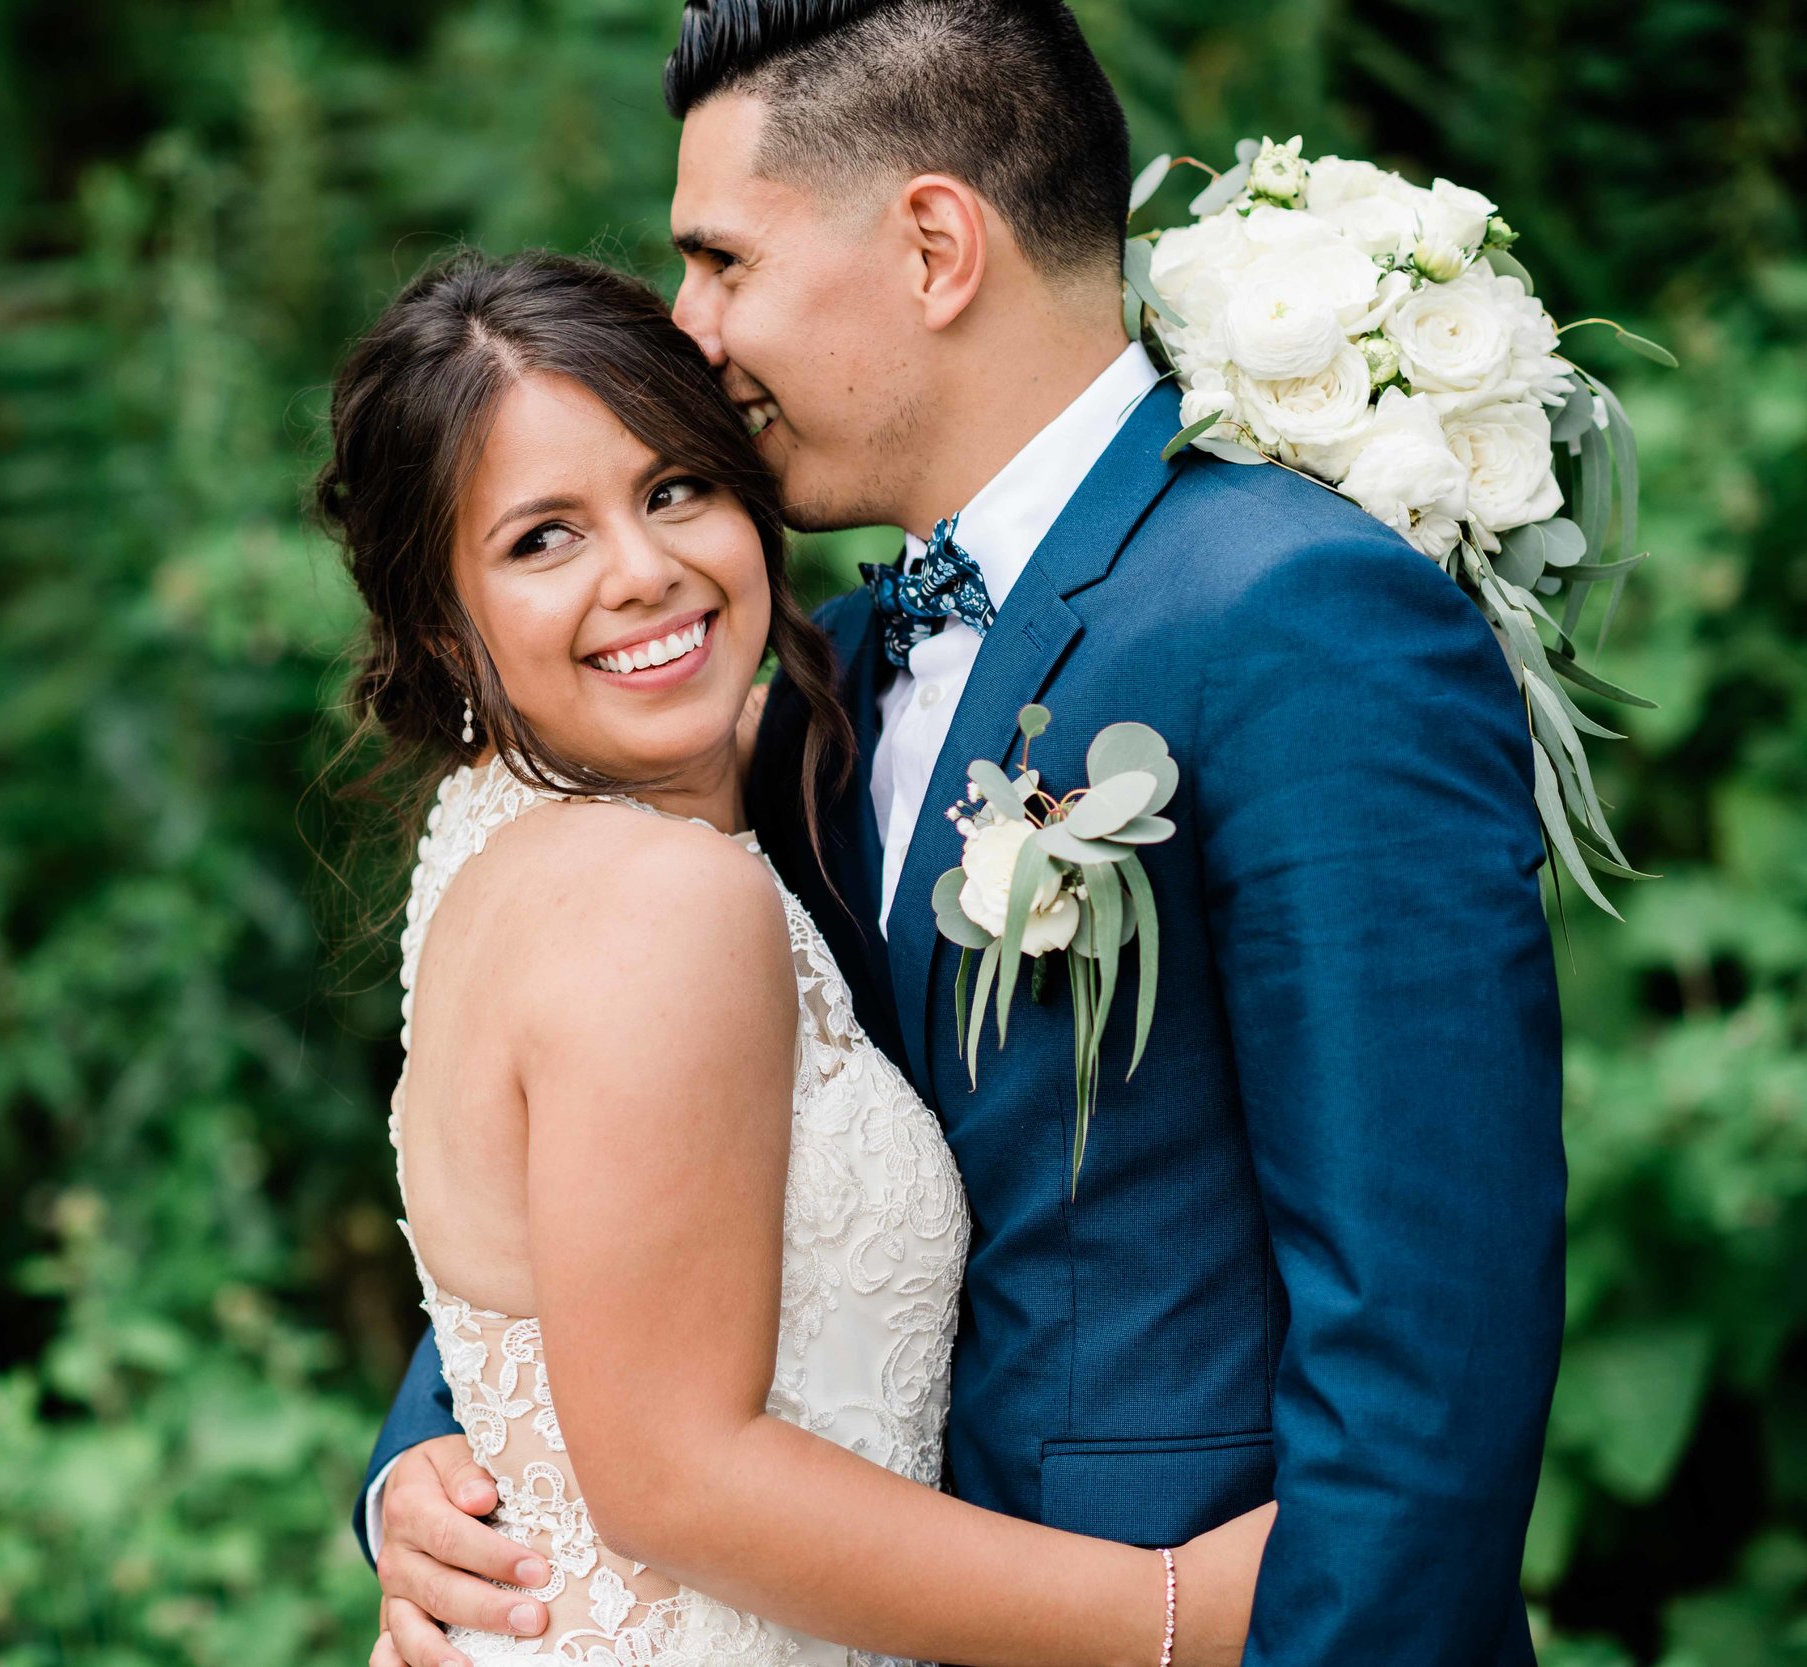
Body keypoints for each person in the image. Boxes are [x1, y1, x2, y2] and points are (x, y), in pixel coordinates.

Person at [359, 4, 1566, 1666]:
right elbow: (628, 1159)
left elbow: (1428, 1356)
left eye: (720, 262)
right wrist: (433, 1464)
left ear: (934, 245)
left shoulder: (1299, 616)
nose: (691, 333)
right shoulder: (803, 686)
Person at [320, 247, 1277, 1666]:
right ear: (442, 633)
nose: (644, 574)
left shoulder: (516, 831)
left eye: (672, 489)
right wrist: (1178, 1619)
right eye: (543, 538)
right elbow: (670, 1476)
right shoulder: (659, 896)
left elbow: (567, 1289)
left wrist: (418, 1475)